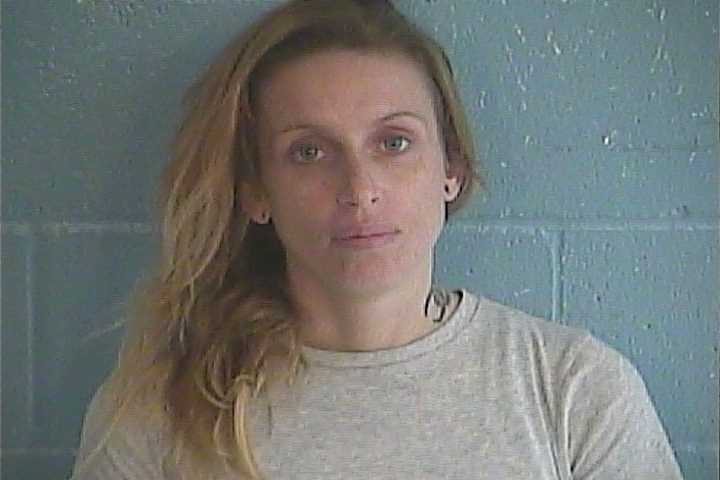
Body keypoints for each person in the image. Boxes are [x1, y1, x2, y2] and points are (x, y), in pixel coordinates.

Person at [70, 1, 684, 479]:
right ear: (255, 191)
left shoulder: (575, 390)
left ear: (451, 169)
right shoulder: (159, 412)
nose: (359, 189)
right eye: (309, 152)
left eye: (394, 142)